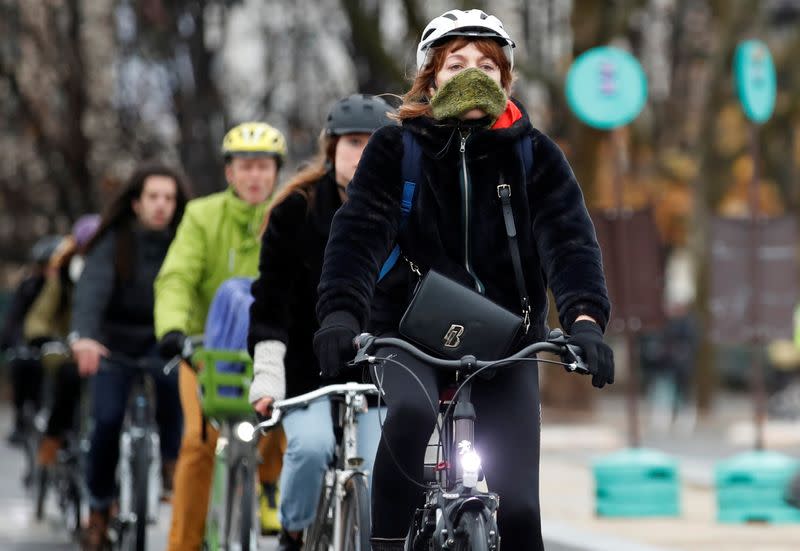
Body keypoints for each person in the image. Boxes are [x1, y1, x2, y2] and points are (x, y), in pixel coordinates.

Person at [312, 9, 615, 550]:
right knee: (407, 413)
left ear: (505, 80)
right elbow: (357, 236)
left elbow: (569, 242)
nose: (473, 75)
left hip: (509, 342)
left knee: (520, 509)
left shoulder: (534, 155)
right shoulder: (396, 149)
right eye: (456, 65)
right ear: (431, 78)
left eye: (488, 65)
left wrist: (586, 320)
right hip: (408, 333)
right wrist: (340, 313)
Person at [248, 94, 396, 550]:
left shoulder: (405, 210)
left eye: (375, 143)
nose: (364, 153)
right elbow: (270, 302)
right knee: (310, 450)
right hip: (308, 373)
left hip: (380, 376)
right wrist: (269, 374)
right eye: (353, 142)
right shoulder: (295, 210)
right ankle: (293, 533)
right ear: (331, 148)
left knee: (380, 466)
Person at [154, 122, 288, 551]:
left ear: (275, 173)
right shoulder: (202, 216)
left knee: (297, 410)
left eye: (263, 167)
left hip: (269, 348)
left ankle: (269, 485)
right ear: (230, 173)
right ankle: (184, 543)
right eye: (245, 166)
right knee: (198, 443)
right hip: (205, 353)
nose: (254, 177)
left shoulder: (288, 212)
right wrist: (174, 330)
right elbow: (176, 276)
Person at [67, 163, 191, 550]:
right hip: (112, 343)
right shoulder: (113, 241)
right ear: (136, 202)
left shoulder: (184, 239)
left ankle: (173, 466)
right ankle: (100, 508)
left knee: (174, 389)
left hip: (162, 342)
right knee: (104, 421)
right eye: (153, 197)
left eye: (169, 198)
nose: (161, 206)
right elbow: (92, 289)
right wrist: (85, 336)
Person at [27, 214, 101, 468]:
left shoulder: (114, 271)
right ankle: (54, 437)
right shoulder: (64, 276)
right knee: (68, 378)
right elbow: (42, 312)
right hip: (67, 347)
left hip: (104, 348)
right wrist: (41, 337)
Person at [1, 236, 60, 444]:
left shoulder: (67, 284)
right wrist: (12, 342)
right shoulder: (29, 286)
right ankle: (22, 418)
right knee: (22, 365)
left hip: (61, 346)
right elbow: (16, 317)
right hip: (33, 343)